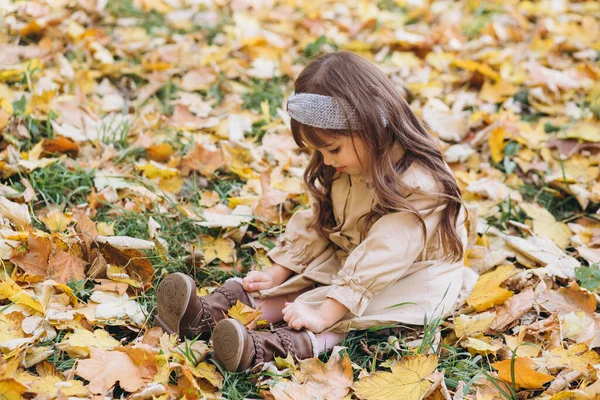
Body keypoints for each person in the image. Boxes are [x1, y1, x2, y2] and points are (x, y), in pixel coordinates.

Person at [155, 52, 478, 373]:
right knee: (299, 284)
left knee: (341, 311)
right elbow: (318, 220)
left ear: (369, 127)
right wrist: (280, 271)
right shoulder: (349, 161)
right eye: (318, 151)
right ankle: (208, 315)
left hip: (412, 278)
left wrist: (325, 313)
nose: (324, 161)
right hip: (354, 256)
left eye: (332, 149)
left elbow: (383, 255)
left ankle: (270, 349)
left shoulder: (419, 186)